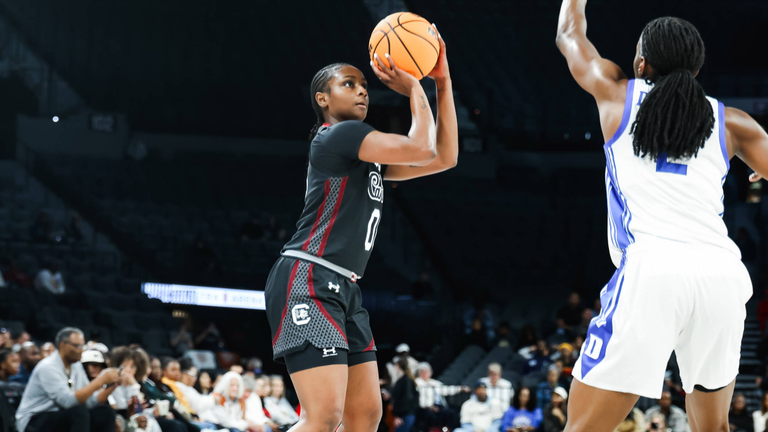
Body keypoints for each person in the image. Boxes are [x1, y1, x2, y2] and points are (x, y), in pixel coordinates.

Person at [557, 2, 763, 430]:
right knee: (714, 427)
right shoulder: (733, 124)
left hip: (653, 271)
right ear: (696, 71)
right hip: (721, 276)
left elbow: (569, 36)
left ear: (640, 62)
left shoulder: (615, 94)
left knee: (582, 426)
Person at [263, 23, 457, 432]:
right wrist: (415, 88)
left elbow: (444, 156)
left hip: (345, 287)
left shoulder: (364, 155)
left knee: (364, 416)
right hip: (308, 277)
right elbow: (422, 146)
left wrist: (442, 80)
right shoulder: (337, 135)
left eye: (364, 84)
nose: (362, 90)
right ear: (323, 99)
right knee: (325, 416)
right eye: (349, 84)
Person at [15, 327, 120, 432]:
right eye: (77, 346)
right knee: (78, 412)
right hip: (33, 420)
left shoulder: (76, 366)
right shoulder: (48, 366)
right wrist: (100, 380)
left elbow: (89, 401)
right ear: (63, 345)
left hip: (58, 415)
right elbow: (67, 401)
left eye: (82, 346)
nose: (81, 350)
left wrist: (113, 385)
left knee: (105, 413)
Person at [391, 358, 419, 432]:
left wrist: (398, 415)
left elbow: (406, 398)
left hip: (404, 415)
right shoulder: (408, 379)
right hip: (408, 414)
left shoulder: (404, 381)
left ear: (398, 367)